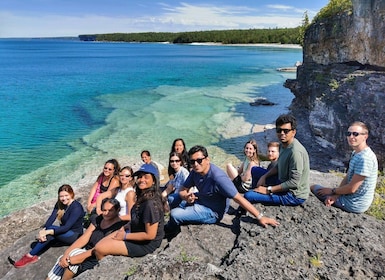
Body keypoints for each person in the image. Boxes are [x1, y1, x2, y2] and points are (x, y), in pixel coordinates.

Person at [165, 145, 279, 238]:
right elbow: (182, 190)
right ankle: (170, 218)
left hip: (212, 211)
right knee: (171, 198)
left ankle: (169, 230)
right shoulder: (195, 172)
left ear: (207, 160)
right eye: (192, 161)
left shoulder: (218, 178)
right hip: (202, 198)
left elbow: (238, 198)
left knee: (175, 214)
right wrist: (186, 197)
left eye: (199, 160)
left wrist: (260, 217)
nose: (195, 164)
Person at [93, 164, 168, 260]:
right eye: (140, 176)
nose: (141, 179)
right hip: (135, 230)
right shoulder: (144, 196)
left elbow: (150, 235)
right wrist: (128, 225)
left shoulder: (150, 203)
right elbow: (138, 216)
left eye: (146, 177)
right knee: (101, 242)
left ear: (154, 181)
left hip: (146, 244)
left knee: (100, 248)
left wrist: (125, 236)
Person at [46, 198, 126, 280]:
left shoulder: (119, 227)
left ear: (118, 210)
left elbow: (99, 248)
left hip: (96, 255)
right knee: (63, 258)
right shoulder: (99, 219)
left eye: (110, 210)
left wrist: (72, 259)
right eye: (104, 210)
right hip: (85, 249)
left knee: (73, 260)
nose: (106, 213)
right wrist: (66, 253)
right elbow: (85, 237)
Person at [310, 121, 378, 213]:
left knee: (314, 188)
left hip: (354, 204)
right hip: (349, 198)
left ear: (365, 136)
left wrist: (332, 191)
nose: (351, 137)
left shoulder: (365, 159)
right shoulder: (357, 153)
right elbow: (348, 177)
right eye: (348, 134)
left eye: (355, 134)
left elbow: (352, 188)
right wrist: (336, 195)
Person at [11, 185, 84, 268]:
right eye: (61, 196)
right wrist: (43, 231)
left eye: (66, 195)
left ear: (71, 194)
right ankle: (30, 256)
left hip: (74, 235)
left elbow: (66, 227)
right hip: (64, 232)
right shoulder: (60, 204)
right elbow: (51, 219)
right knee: (48, 234)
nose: (64, 198)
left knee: (49, 232)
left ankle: (29, 256)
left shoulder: (76, 208)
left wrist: (47, 231)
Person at [244, 114, 310, 206]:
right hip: (282, 181)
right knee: (254, 170)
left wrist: (268, 190)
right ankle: (257, 193)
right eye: (279, 130)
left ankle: (252, 200)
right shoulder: (284, 145)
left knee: (248, 195)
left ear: (293, 132)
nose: (282, 133)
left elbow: (294, 183)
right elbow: (279, 166)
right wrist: (265, 176)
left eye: (286, 131)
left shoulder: (295, 152)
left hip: (292, 195)